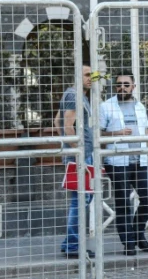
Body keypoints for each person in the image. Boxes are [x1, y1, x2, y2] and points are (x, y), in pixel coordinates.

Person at [99, 72, 148, 255]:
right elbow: (98, 135)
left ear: (134, 86)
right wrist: (116, 134)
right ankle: (128, 242)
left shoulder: (139, 106)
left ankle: (138, 235)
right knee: (123, 201)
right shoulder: (106, 107)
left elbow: (146, 132)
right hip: (117, 162)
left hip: (139, 160)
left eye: (126, 84)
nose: (121, 87)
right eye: (118, 84)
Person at [60, 64, 94, 259]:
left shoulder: (78, 95)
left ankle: (69, 243)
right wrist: (76, 151)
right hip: (79, 155)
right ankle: (73, 246)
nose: (90, 78)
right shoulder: (74, 95)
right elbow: (67, 125)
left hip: (81, 153)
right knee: (80, 200)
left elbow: (57, 121)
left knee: (84, 198)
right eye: (87, 75)